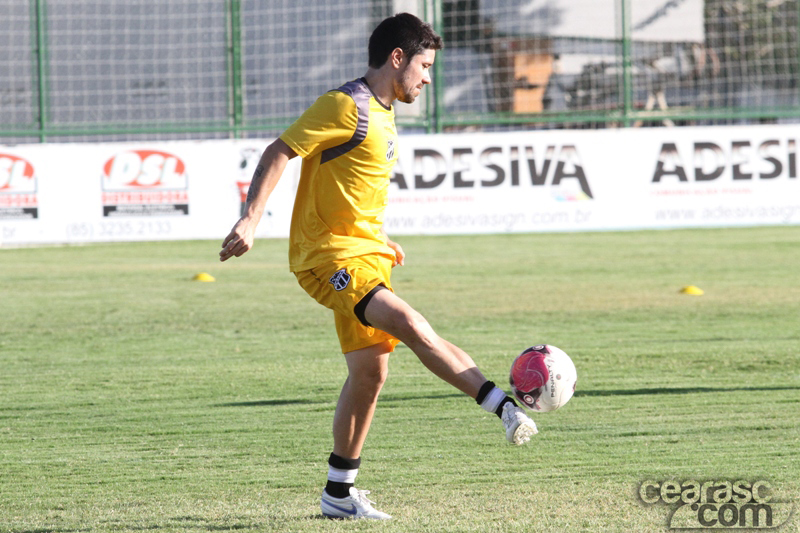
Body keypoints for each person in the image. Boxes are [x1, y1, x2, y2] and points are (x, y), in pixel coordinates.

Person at [219, 12, 537, 521]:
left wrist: (379, 238)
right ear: (397, 59)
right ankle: (502, 406)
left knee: (370, 374)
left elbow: (352, 188)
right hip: (326, 260)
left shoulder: (387, 113)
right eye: (425, 66)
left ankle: (338, 495)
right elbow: (281, 151)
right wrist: (251, 219)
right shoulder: (345, 105)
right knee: (410, 323)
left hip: (365, 255)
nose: (428, 78)